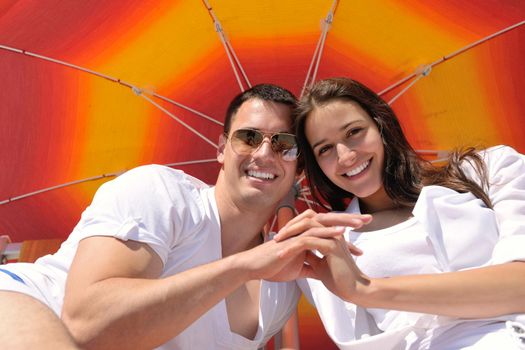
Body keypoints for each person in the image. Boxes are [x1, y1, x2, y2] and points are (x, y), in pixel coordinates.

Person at [0, 83, 370, 350]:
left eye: (285, 144)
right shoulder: (161, 192)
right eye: (248, 137)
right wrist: (246, 265)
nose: (264, 154)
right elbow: (88, 327)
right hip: (24, 308)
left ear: (298, 167)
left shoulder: (283, 286)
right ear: (222, 149)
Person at [275, 77, 525, 349]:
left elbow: (520, 287)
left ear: (380, 126)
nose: (346, 156)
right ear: (316, 165)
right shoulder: (328, 248)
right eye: (325, 149)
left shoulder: (489, 171)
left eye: (354, 132)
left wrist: (365, 289)